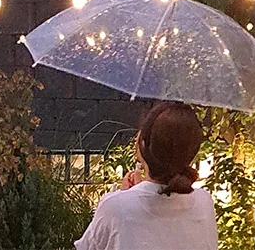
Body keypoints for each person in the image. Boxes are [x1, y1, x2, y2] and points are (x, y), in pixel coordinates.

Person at [74, 102, 217, 250]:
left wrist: (125, 196)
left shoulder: (115, 207)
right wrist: (133, 194)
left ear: (142, 144)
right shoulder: (204, 202)